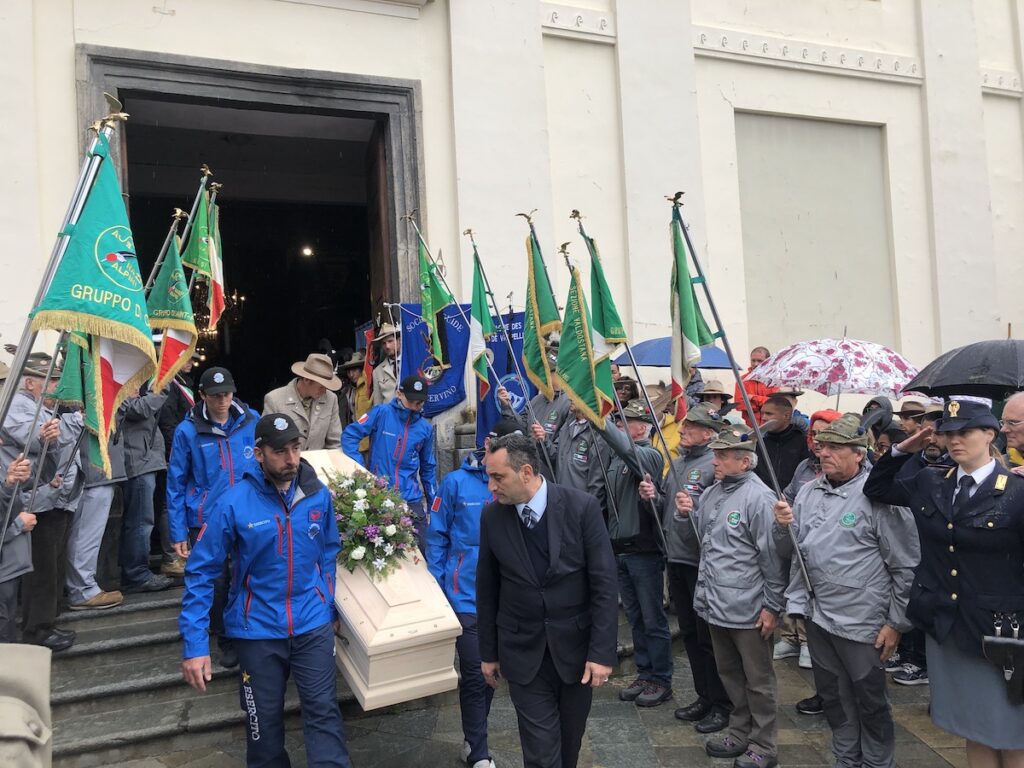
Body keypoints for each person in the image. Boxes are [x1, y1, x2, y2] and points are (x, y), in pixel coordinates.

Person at [180, 413, 351, 768]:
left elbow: (329, 552)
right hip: (257, 632)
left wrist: (327, 604)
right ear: (258, 453)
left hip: (311, 626)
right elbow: (201, 571)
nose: (291, 459)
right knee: (263, 730)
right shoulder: (233, 502)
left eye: (295, 448)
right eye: (279, 451)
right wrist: (195, 645)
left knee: (325, 717)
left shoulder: (317, 495)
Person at [864, 398, 1024, 767]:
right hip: (947, 624)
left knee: (1011, 730)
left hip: (999, 632)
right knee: (973, 725)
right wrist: (905, 446)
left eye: (964, 431)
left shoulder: (1016, 492)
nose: (954, 440)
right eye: (947, 432)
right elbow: (877, 488)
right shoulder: (931, 481)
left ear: (990, 433)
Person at [774, 413, 920, 768]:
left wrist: (896, 623)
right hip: (818, 614)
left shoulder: (879, 497)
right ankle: (846, 756)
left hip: (862, 620)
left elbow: (905, 566)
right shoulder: (809, 491)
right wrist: (781, 527)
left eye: (836, 447)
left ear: (860, 453)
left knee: (869, 697)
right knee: (834, 695)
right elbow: (789, 553)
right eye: (823, 446)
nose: (825, 453)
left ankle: (875, 761)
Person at [476, 433, 618, 768]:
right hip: (522, 653)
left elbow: (604, 583)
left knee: (569, 745)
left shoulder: (581, 507)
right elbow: (487, 586)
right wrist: (489, 653)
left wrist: (601, 652)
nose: (491, 488)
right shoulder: (492, 517)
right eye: (489, 478)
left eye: (498, 478)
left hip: (576, 652)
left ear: (525, 472)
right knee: (540, 752)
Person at [684, 425, 785, 768]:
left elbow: (772, 559)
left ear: (745, 462)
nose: (716, 460)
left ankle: (764, 745)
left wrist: (773, 606)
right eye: (716, 454)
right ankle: (740, 732)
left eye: (723, 455)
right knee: (730, 675)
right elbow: (706, 542)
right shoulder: (714, 492)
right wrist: (686, 512)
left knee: (758, 681)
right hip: (716, 604)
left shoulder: (759, 498)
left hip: (749, 609)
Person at [427, 418, 521, 768]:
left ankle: (474, 736)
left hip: (507, 598)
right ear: (487, 446)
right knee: (475, 672)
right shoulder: (454, 483)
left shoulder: (518, 485)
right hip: (464, 596)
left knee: (492, 676)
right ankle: (478, 749)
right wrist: (438, 588)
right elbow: (437, 536)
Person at [167, 366, 260, 668]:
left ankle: (246, 630)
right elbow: (176, 483)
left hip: (247, 513)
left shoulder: (252, 420)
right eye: (216, 395)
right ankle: (224, 636)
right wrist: (178, 531)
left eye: (227, 394)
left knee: (245, 574)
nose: (222, 400)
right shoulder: (188, 431)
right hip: (206, 518)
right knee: (216, 581)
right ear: (202, 396)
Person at [595, 399, 673, 707]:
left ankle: (662, 678)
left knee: (653, 619)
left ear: (642, 427)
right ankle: (645, 672)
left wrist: (599, 420)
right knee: (636, 618)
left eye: (626, 421)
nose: (620, 425)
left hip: (644, 551)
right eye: (617, 420)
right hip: (620, 549)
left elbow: (628, 452)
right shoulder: (616, 460)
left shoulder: (649, 455)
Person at [659, 403, 731, 732]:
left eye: (691, 427)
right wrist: (654, 497)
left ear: (708, 434)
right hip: (676, 558)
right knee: (689, 634)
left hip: (699, 562)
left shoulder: (712, 464)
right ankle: (704, 695)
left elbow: (716, 506)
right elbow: (669, 503)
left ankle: (721, 703)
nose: (683, 430)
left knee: (708, 639)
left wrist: (695, 506)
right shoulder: (677, 461)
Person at [7, 367, 85, 649]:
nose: (58, 387)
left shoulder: (44, 407)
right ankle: (37, 630)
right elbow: (36, 439)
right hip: (34, 500)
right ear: (30, 382)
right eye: (52, 380)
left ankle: (47, 622)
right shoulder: (18, 404)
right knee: (41, 567)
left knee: (52, 562)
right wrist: (49, 433)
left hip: (52, 495)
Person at [776, 409, 842, 697]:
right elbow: (791, 493)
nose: (817, 441)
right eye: (814, 434)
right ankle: (793, 637)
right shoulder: (805, 466)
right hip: (801, 543)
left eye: (825, 434)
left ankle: (806, 643)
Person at [887, 403, 950, 686]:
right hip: (910, 541)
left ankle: (923, 662)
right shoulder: (916, 463)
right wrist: (900, 452)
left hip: (939, 553)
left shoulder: (950, 468)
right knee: (914, 601)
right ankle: (911, 655)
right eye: (927, 433)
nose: (932, 439)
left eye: (938, 433)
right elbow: (880, 489)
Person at [341, 375, 436, 547]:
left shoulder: (425, 429)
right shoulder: (381, 413)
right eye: (412, 401)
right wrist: (362, 471)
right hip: (381, 494)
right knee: (384, 551)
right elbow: (350, 435)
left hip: (411, 498)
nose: (416, 407)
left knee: (422, 551)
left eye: (420, 402)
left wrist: (432, 503)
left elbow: (428, 467)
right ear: (399, 394)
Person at [119, 388, 175, 593]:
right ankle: (136, 574)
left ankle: (136, 572)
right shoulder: (118, 380)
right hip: (137, 461)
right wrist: (161, 386)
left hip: (147, 459)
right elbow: (140, 410)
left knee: (143, 520)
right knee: (140, 522)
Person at [155, 349, 200, 577]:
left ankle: (184, 552)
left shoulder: (184, 382)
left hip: (186, 449)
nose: (191, 362)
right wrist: (177, 452)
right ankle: (171, 557)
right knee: (168, 505)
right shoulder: (168, 384)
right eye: (186, 358)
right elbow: (168, 422)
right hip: (173, 451)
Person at [263, 352, 343, 451]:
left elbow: (335, 444)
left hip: (320, 465)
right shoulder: (274, 400)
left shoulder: (331, 399)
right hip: (287, 465)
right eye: (321, 387)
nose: (324, 391)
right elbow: (267, 444)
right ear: (306, 380)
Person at [754, 394, 810, 491]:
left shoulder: (802, 443)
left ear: (786, 415)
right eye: (762, 413)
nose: (763, 418)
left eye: (769, 414)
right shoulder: (759, 441)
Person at [734, 346, 777, 428]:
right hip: (750, 428)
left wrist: (753, 398)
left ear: (768, 361)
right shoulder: (742, 380)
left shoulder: (774, 380)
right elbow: (739, 405)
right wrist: (762, 405)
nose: (755, 364)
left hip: (771, 428)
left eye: (759, 361)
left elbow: (775, 404)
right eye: (753, 360)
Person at [337, 350, 370, 430]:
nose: (351, 375)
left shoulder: (369, 386)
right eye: (348, 372)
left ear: (361, 370)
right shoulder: (346, 391)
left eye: (354, 370)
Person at [371, 323, 401, 406]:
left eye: (390, 341)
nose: (387, 346)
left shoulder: (409, 361)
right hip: (390, 417)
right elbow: (378, 403)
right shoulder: (377, 372)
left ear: (399, 340)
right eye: (383, 343)